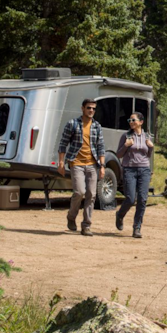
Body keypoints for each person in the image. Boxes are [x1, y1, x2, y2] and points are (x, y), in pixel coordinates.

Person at [57, 99, 105, 236]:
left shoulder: (97, 126)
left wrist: (102, 166)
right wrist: (61, 163)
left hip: (92, 164)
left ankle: (86, 226)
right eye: (89, 108)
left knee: (92, 194)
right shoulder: (72, 124)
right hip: (76, 162)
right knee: (79, 192)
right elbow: (63, 144)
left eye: (94, 109)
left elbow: (101, 147)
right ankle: (71, 217)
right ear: (82, 108)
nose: (91, 111)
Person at [115, 112, 153, 238]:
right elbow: (119, 155)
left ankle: (137, 228)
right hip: (129, 170)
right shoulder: (126, 136)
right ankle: (120, 214)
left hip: (144, 170)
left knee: (142, 199)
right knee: (131, 199)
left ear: (141, 122)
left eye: (133, 120)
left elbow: (147, 155)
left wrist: (151, 148)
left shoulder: (147, 136)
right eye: (129, 120)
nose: (131, 122)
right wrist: (126, 146)